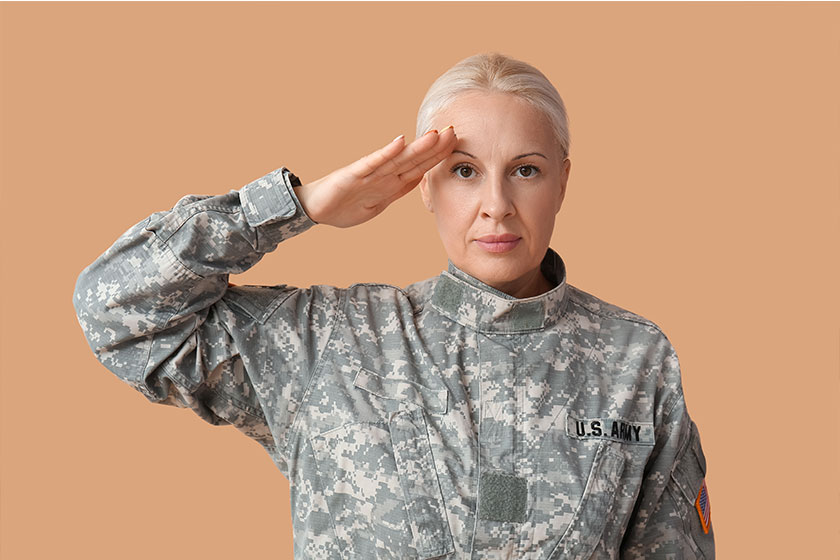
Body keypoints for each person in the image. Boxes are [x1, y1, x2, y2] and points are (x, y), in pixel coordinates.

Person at [73, 52, 714, 559]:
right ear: (423, 185)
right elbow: (120, 309)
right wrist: (299, 205)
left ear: (563, 182)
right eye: (463, 170)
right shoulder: (326, 342)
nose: (496, 204)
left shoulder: (635, 357)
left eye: (525, 170)